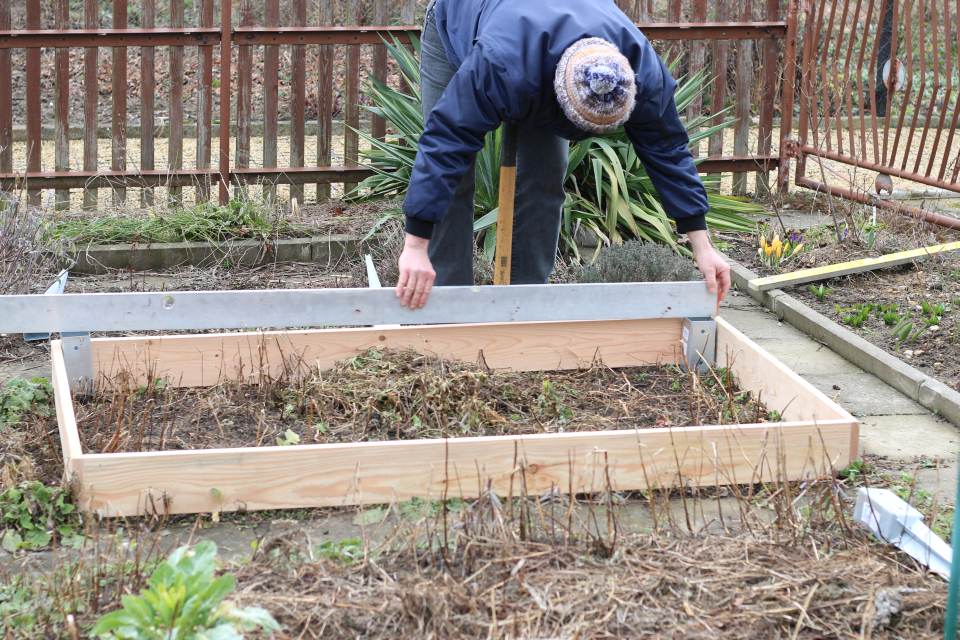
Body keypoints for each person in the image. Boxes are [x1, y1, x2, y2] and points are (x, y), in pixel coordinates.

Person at [396, 0, 732, 309]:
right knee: (456, 179)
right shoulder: (503, 65)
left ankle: (526, 306)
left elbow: (667, 148)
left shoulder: (640, 67)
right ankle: (447, 307)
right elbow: (445, 143)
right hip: (460, 18)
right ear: (558, 96)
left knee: (545, 175)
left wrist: (701, 245)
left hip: (530, 34)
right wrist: (415, 247)